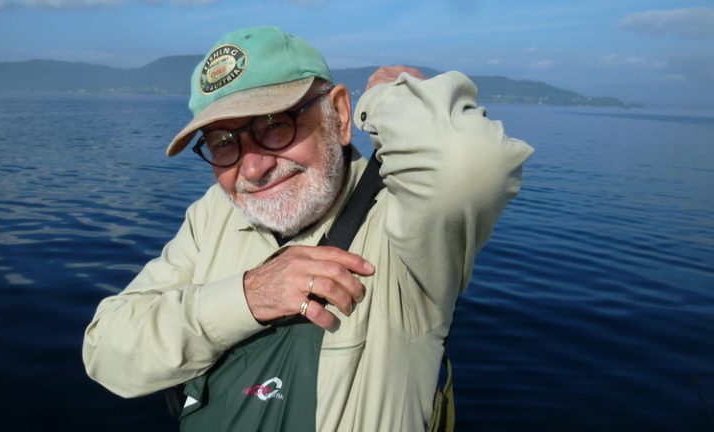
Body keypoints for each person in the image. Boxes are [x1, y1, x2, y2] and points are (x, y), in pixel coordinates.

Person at [82, 25, 533, 431]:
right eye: (223, 143)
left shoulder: (404, 220)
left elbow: (468, 163)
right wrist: (248, 296)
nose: (252, 168)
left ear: (338, 114)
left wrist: (385, 98)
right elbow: (106, 352)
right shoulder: (215, 214)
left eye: (274, 125)